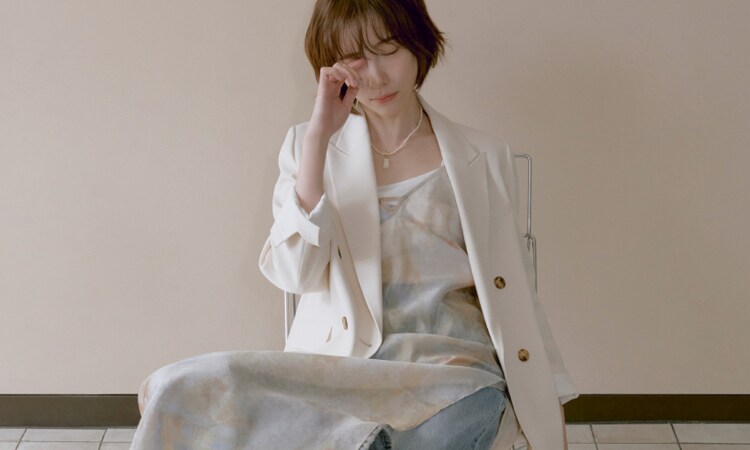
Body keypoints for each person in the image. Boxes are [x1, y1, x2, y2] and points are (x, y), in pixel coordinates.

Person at [132, 1, 579, 449]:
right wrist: (318, 139)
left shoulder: (483, 156)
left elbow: (516, 294)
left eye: (389, 50)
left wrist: (546, 400)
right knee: (183, 384)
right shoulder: (309, 147)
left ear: (419, 45)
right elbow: (294, 274)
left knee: (461, 418)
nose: (377, 76)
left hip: (453, 374)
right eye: (355, 59)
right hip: (344, 372)